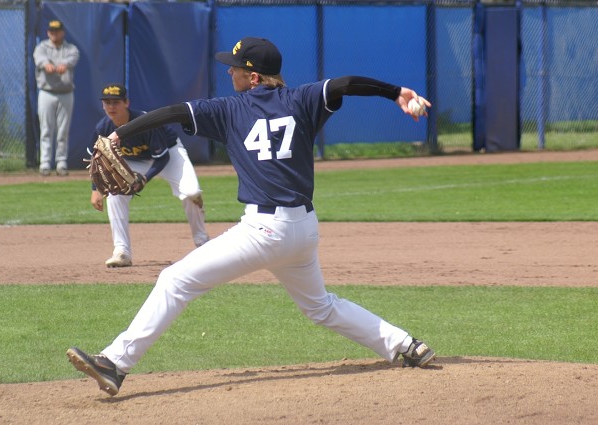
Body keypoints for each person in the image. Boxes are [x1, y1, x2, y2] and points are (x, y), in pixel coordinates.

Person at [67, 37, 435, 396]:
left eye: (235, 68)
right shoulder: (302, 99)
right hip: (303, 229)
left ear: (254, 77)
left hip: (264, 230)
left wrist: (121, 134)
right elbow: (346, 83)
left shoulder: (229, 110)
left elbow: (174, 112)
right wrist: (396, 92)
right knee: (321, 307)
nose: (230, 73)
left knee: (174, 280)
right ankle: (405, 344)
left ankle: (115, 363)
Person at [91, 84, 209, 267]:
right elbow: (97, 160)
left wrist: (145, 179)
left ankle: (203, 244)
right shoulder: (103, 127)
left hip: (169, 154)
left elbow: (162, 158)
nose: (111, 106)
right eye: (107, 102)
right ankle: (122, 251)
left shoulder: (143, 121)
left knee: (191, 192)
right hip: (134, 161)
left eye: (116, 102)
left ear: (126, 103)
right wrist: (95, 189)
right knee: (115, 192)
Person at [33, 19, 79, 177]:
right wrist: (47, 64)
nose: (54, 34)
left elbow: (71, 60)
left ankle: (61, 163)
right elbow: (40, 59)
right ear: (48, 32)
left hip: (66, 92)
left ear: (62, 32)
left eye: (57, 31)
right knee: (46, 129)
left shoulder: (70, 48)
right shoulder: (41, 47)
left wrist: (63, 65)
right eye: (52, 31)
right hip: (47, 92)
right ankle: (45, 163)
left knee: (63, 130)